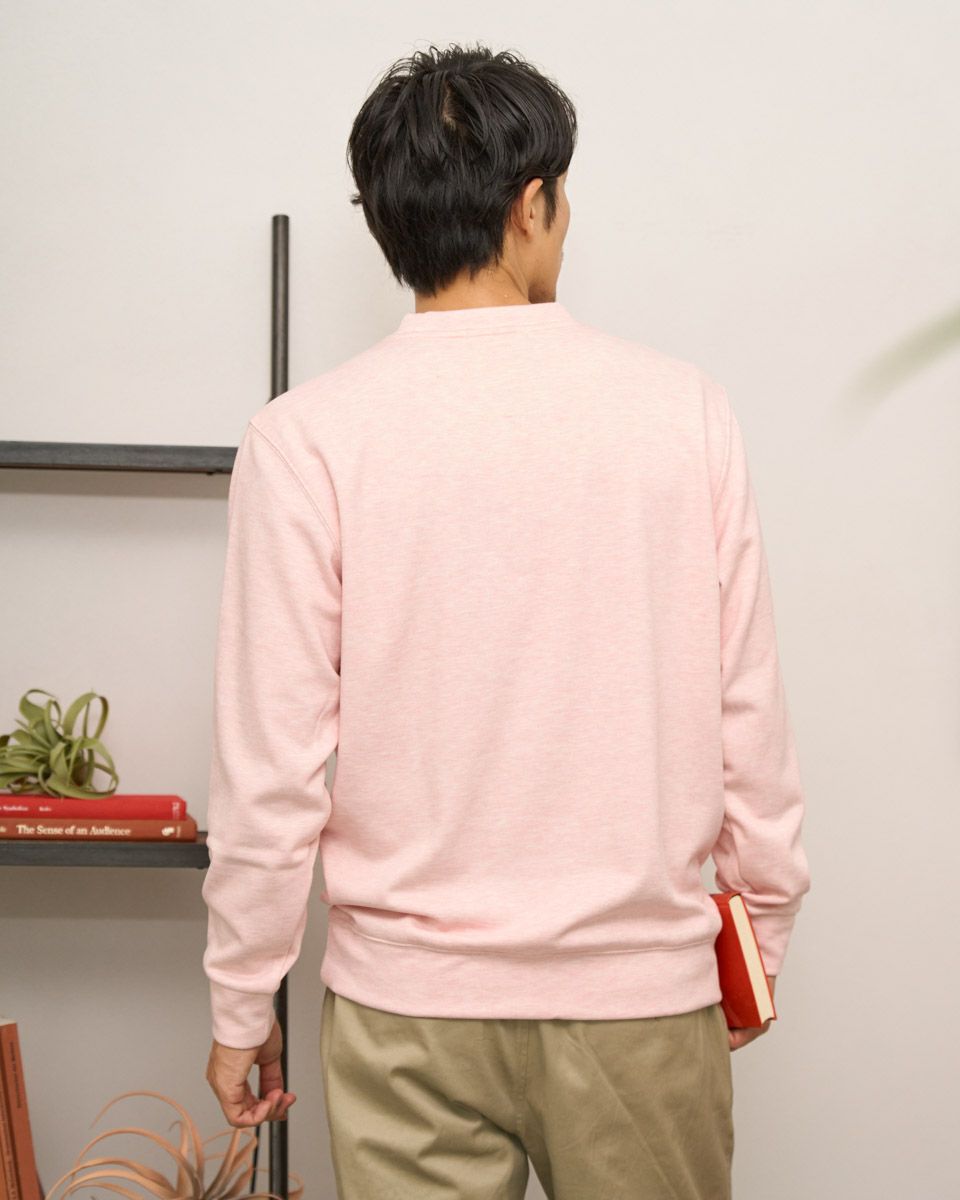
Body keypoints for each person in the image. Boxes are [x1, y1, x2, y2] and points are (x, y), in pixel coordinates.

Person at [202, 41, 811, 1199]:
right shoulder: (682, 413)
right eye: (562, 199)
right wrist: (757, 935)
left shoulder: (305, 439)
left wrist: (243, 997)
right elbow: (749, 715)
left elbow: (271, 768)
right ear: (533, 205)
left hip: (404, 1011)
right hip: (640, 995)